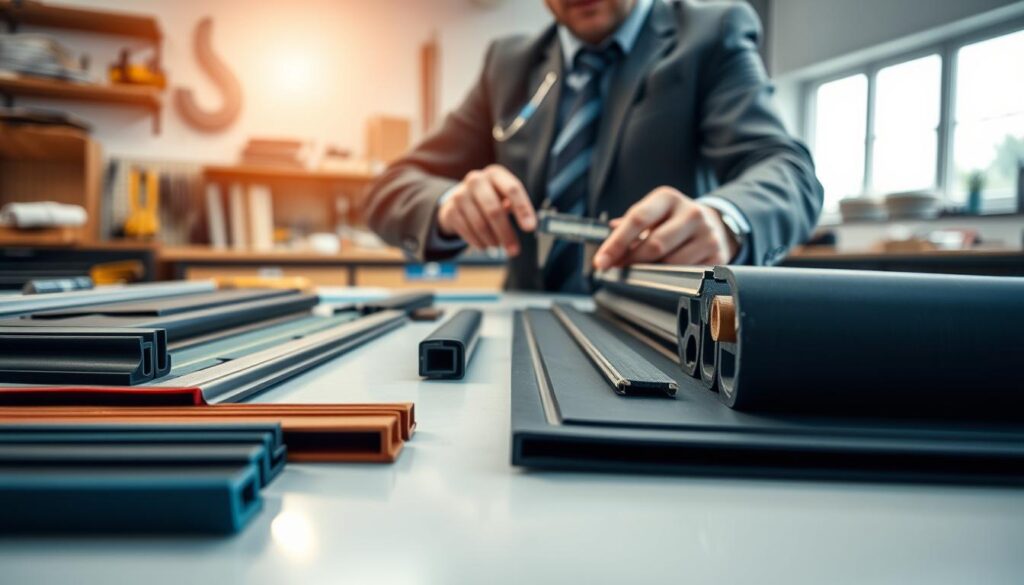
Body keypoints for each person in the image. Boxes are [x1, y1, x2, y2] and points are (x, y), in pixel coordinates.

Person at [366, 0, 823, 292]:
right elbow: (390, 188)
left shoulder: (711, 34)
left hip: (662, 335)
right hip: (525, 335)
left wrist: (726, 221)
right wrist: (448, 204)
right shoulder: (508, 63)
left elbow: (786, 171)